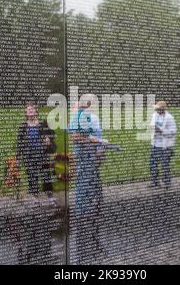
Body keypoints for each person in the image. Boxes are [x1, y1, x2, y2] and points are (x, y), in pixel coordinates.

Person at [68, 96, 105, 263]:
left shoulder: (94, 118)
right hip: (85, 157)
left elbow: (99, 136)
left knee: (94, 186)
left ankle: (89, 212)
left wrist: (100, 149)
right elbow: (75, 137)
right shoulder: (77, 116)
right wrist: (92, 141)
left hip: (94, 157)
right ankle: (81, 214)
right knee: (83, 185)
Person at [16, 104, 56, 198]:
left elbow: (53, 134)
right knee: (32, 177)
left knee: (46, 176)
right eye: (28, 110)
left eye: (32, 109)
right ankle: (35, 197)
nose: (30, 111)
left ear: (36, 111)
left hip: (42, 154)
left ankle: (50, 196)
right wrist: (17, 158)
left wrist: (48, 139)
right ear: (25, 113)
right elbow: (19, 143)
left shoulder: (43, 123)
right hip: (29, 155)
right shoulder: (23, 126)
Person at [149, 100, 177, 188]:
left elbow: (173, 132)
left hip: (165, 146)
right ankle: (155, 182)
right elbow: (152, 126)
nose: (156, 110)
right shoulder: (154, 115)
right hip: (155, 144)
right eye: (156, 108)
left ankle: (166, 183)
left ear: (162, 109)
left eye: (158, 109)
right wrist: (152, 129)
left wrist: (161, 131)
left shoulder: (169, 117)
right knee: (152, 164)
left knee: (165, 165)